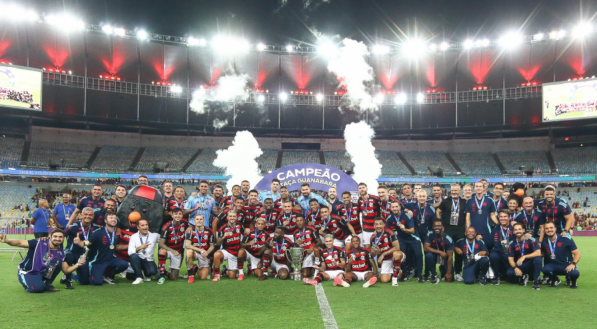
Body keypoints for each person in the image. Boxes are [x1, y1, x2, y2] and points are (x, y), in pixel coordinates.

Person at [1, 229, 84, 293]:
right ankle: (28, 283)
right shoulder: (39, 242)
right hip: (28, 272)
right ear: (50, 237)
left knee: (57, 261)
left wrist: (77, 264)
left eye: (60, 237)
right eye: (55, 236)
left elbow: (65, 270)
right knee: (38, 289)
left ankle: (48, 284)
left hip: (41, 272)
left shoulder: (61, 252)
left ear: (63, 239)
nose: (57, 239)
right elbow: (19, 243)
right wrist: (7, 241)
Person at [79, 213, 129, 285]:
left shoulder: (117, 233)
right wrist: (79, 242)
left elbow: (115, 246)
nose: (113, 220)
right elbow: (88, 242)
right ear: (105, 221)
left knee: (124, 264)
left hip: (110, 259)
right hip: (97, 261)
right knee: (97, 282)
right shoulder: (98, 232)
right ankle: (75, 276)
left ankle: (106, 275)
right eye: (111, 218)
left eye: (115, 218)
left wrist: (130, 246)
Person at [62, 207, 100, 289]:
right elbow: (61, 234)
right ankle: (68, 280)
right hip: (72, 252)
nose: (88, 216)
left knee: (84, 281)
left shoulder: (96, 228)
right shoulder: (73, 226)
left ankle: (72, 275)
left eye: (90, 215)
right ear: (81, 215)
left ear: (93, 216)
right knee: (68, 256)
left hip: (85, 255)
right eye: (85, 214)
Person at [386, 200, 423, 282]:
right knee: (402, 256)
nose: (395, 208)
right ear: (390, 208)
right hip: (401, 239)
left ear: (399, 207)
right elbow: (386, 229)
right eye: (393, 207)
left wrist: (404, 229)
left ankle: (420, 275)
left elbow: (412, 230)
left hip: (413, 237)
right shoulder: (390, 218)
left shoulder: (406, 215)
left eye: (396, 206)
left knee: (418, 254)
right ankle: (404, 275)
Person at [437, 184, 467, 281]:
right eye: (452, 190)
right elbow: (438, 211)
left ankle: (458, 272)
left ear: (459, 191)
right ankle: (444, 272)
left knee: (459, 252)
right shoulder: (446, 201)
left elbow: (467, 215)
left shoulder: (464, 202)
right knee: (446, 252)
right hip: (448, 230)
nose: (454, 192)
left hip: (460, 230)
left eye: (456, 190)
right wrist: (440, 225)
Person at [541, 222, 580, 289]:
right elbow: (542, 253)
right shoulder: (544, 242)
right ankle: (555, 279)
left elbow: (577, 253)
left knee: (574, 273)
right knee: (545, 270)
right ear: (544, 230)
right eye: (546, 228)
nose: (549, 230)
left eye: (551, 228)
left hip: (566, 265)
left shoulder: (566, 239)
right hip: (553, 265)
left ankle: (573, 281)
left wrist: (573, 264)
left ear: (555, 228)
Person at [213, 210, 247, 282]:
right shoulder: (222, 228)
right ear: (227, 217)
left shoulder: (240, 226)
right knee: (216, 255)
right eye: (230, 216)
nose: (232, 218)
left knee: (232, 276)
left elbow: (244, 237)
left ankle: (227, 271)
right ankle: (217, 275)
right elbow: (218, 243)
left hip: (237, 252)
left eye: (234, 216)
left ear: (236, 217)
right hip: (227, 251)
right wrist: (223, 237)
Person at [507, 222, 542, 290]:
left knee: (538, 259)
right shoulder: (512, 243)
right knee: (510, 273)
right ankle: (524, 276)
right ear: (513, 232)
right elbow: (510, 258)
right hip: (521, 265)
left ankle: (536, 281)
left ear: (523, 230)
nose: (518, 231)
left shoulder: (531, 240)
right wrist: (515, 268)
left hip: (531, 263)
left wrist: (524, 256)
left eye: (520, 229)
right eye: (516, 230)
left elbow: (538, 252)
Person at [157, 208, 188, 284]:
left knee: (173, 277)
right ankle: (161, 275)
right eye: (176, 214)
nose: (178, 215)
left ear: (182, 215)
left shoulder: (185, 223)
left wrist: (190, 227)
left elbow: (192, 225)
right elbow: (161, 244)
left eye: (180, 214)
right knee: (162, 251)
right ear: (172, 215)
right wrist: (171, 250)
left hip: (177, 252)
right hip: (168, 250)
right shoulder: (166, 226)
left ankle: (164, 272)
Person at [370, 217, 403, 286]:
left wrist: (383, 254)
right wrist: (375, 252)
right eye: (376, 224)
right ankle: (398, 271)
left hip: (394, 256)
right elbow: (373, 254)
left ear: (384, 225)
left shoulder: (390, 233)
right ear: (374, 226)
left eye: (380, 224)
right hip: (386, 260)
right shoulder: (373, 238)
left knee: (397, 254)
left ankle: (395, 278)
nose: (378, 226)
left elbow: (397, 247)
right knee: (384, 280)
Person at [465, 181, 498, 248]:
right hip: (473, 231)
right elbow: (467, 216)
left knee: (487, 249)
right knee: (474, 250)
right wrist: (468, 229)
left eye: (480, 186)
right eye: (477, 186)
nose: (478, 188)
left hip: (486, 230)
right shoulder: (470, 201)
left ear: (483, 188)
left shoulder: (490, 200)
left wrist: (499, 223)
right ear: (474, 188)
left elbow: (492, 215)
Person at [128, 219, 160, 284]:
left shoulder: (155, 235)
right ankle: (139, 277)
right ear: (138, 227)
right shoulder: (133, 237)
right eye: (142, 225)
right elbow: (130, 252)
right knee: (133, 256)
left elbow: (163, 241)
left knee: (152, 272)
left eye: (146, 225)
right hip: (138, 259)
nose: (145, 227)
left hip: (149, 259)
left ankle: (145, 273)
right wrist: (140, 247)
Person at [185, 214, 215, 283]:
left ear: (203, 221)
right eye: (197, 219)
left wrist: (206, 253)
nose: (199, 221)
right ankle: (191, 276)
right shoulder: (190, 230)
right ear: (194, 221)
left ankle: (195, 268)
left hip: (204, 254)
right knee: (189, 252)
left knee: (203, 277)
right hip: (195, 253)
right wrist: (200, 250)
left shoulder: (209, 231)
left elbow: (212, 246)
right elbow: (187, 245)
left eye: (201, 219)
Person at [488, 210, 515, 285]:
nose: (503, 218)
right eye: (501, 217)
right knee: (493, 255)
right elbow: (491, 242)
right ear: (498, 218)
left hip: (511, 254)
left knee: (513, 279)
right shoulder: (495, 229)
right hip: (500, 252)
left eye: (505, 216)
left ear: (509, 218)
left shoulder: (514, 228)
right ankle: (497, 276)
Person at [293, 215, 321, 280]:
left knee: (316, 249)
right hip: (305, 254)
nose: (299, 222)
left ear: (304, 221)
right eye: (297, 221)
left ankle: (317, 270)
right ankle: (312, 269)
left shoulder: (311, 229)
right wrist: (296, 244)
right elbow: (297, 248)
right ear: (296, 223)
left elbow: (319, 242)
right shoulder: (295, 233)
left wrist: (313, 247)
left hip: (313, 252)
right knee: (305, 274)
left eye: (301, 220)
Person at [357, 182, 382, 248]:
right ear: (358, 190)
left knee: (378, 249)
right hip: (365, 230)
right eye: (360, 188)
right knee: (367, 249)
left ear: (367, 188)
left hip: (375, 229)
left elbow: (382, 211)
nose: (362, 189)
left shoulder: (375, 198)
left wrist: (377, 229)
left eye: (363, 187)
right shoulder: (359, 200)